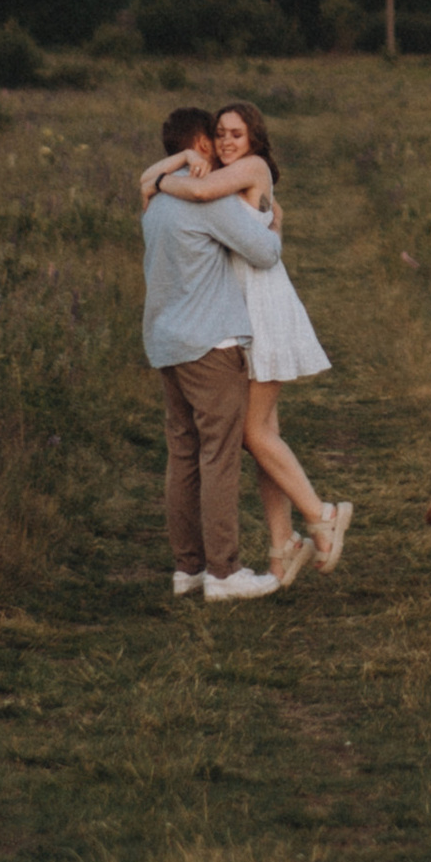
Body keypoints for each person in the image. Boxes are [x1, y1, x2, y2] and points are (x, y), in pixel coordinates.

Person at [155, 100, 353, 577]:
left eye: (236, 134)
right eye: (220, 133)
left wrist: (161, 178)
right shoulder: (236, 173)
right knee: (266, 434)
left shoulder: (250, 167)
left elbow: (198, 195)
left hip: (260, 308)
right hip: (235, 308)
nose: (225, 141)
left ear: (255, 140)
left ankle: (322, 514)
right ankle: (282, 544)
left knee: (251, 432)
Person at [137, 101, 287, 603]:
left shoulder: (154, 204)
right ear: (200, 144)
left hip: (164, 343)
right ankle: (225, 573)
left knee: (181, 455)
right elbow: (266, 253)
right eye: (214, 138)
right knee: (218, 457)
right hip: (210, 345)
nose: (221, 149)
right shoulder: (208, 201)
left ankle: (189, 569)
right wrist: (274, 220)